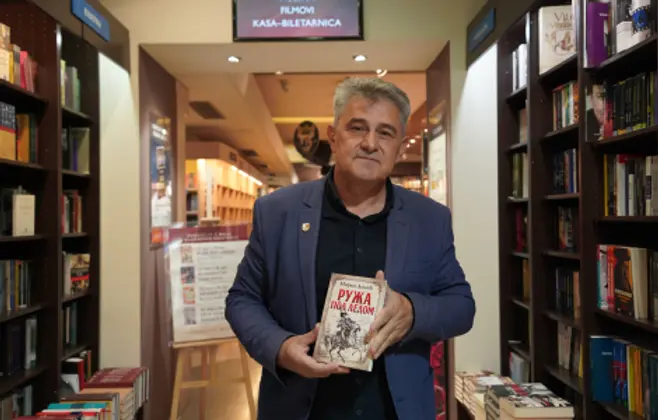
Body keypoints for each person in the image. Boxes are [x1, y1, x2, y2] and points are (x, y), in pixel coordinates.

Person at [225, 77, 475, 420]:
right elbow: (242, 299)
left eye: (385, 133)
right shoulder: (277, 212)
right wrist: (280, 348)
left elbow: (461, 306)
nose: (370, 143)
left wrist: (412, 311)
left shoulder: (429, 219)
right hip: (300, 408)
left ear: (399, 146)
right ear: (333, 137)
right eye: (357, 128)